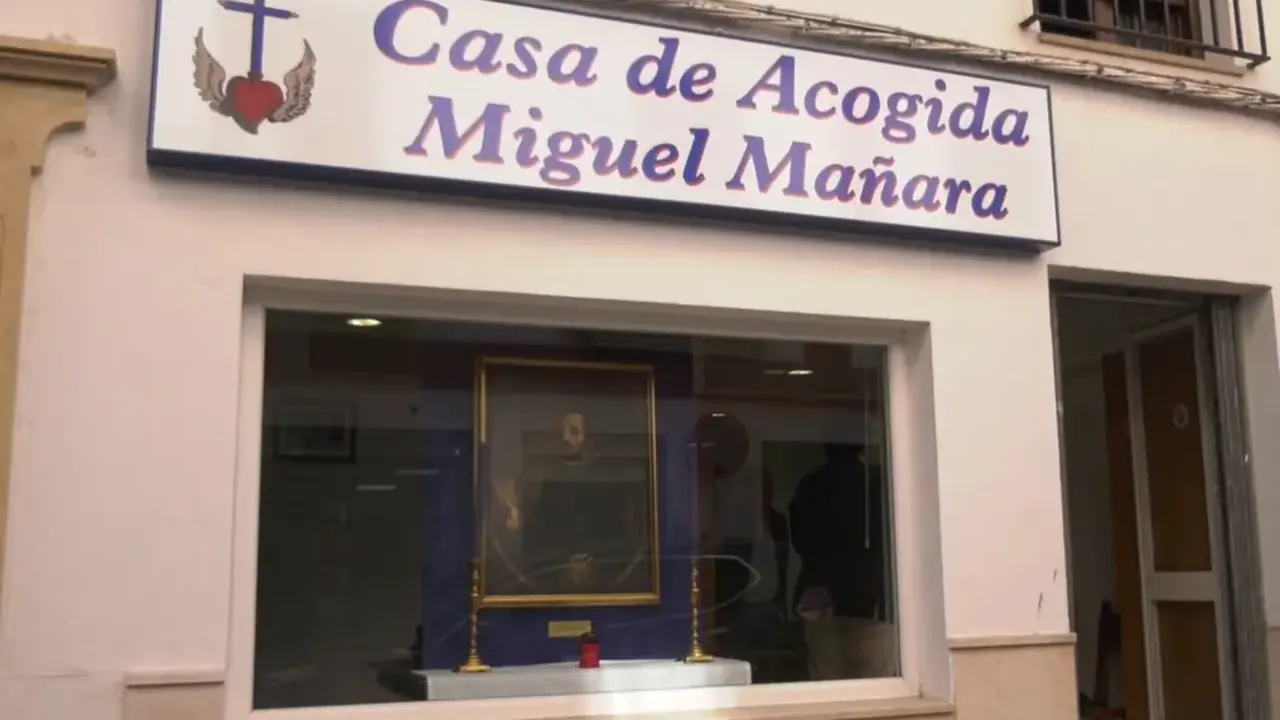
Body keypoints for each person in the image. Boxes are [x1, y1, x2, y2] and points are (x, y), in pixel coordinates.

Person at [788, 442, 895, 680]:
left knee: (827, 680)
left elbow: (800, 538)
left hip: (821, 594)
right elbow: (890, 538)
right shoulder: (876, 483)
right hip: (870, 596)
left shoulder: (812, 484)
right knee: (876, 682)